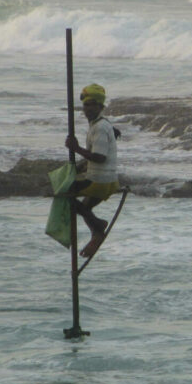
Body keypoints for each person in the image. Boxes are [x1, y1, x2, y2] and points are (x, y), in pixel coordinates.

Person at [65, 83, 120, 258]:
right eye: (85, 105)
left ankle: (98, 226)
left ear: (100, 106)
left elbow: (100, 157)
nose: (87, 108)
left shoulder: (100, 127)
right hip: (107, 181)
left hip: (99, 181)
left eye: (91, 105)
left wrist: (76, 148)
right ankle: (97, 233)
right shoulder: (99, 125)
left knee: (66, 195)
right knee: (83, 208)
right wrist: (80, 164)